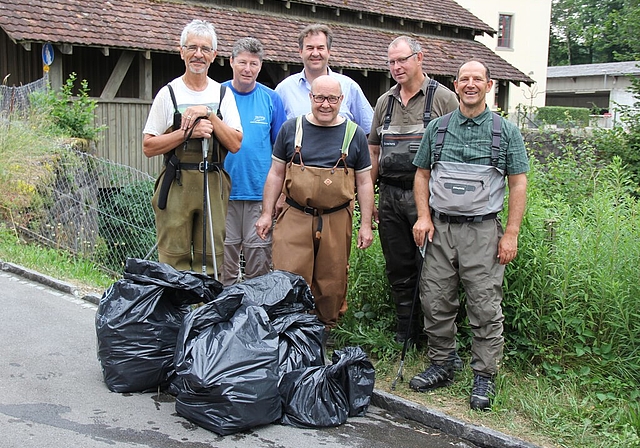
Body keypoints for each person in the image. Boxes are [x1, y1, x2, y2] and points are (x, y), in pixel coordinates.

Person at [409, 59, 529, 411]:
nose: (471, 84)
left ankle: (484, 375)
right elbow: (421, 175)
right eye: (464, 79)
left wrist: (511, 233)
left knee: (484, 305)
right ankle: (442, 363)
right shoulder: (439, 129)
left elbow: (518, 183)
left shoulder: (505, 132)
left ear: (489, 85)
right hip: (440, 230)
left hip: (482, 232)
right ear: (456, 84)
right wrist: (423, 217)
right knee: (435, 300)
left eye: (478, 79)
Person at [255, 75, 374, 352]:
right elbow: (275, 174)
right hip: (295, 214)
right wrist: (265, 213)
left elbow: (365, 182)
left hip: (336, 217)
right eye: (319, 97)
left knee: (331, 279)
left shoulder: (354, 134)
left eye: (332, 99)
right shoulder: (290, 129)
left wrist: (365, 224)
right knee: (288, 275)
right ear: (310, 97)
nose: (325, 104)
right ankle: (286, 331)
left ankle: (325, 332)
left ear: (341, 101)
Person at [368, 36, 459, 343]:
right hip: (390, 195)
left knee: (432, 268)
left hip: (428, 198)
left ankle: (438, 337)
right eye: (391, 62)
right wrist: (369, 201)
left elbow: (456, 151)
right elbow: (373, 153)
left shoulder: (443, 99)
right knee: (398, 265)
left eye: (402, 60)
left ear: (419, 58)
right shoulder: (385, 102)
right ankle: (406, 330)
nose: (396, 67)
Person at [143, 19, 243, 277]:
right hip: (177, 182)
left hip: (213, 182)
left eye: (205, 49)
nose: (198, 54)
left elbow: (234, 143)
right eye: (192, 48)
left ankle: (203, 315)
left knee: (209, 260)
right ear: (181, 51)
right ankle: (174, 315)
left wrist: (209, 115)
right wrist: (186, 132)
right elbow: (149, 146)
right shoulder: (168, 93)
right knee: (173, 259)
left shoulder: (223, 95)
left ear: (214, 55)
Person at [221, 37, 287, 285]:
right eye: (242, 63)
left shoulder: (271, 99)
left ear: (260, 66)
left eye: (254, 64)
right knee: (224, 262)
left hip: (260, 195)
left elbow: (282, 152)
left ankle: (254, 316)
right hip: (223, 193)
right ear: (231, 62)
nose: (248, 69)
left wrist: (280, 195)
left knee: (258, 262)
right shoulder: (219, 94)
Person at [275, 23, 374, 134]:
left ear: (329, 51)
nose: (315, 53)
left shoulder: (349, 87)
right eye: (310, 48)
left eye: (320, 48)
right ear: (300, 52)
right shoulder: (284, 89)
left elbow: (370, 130)